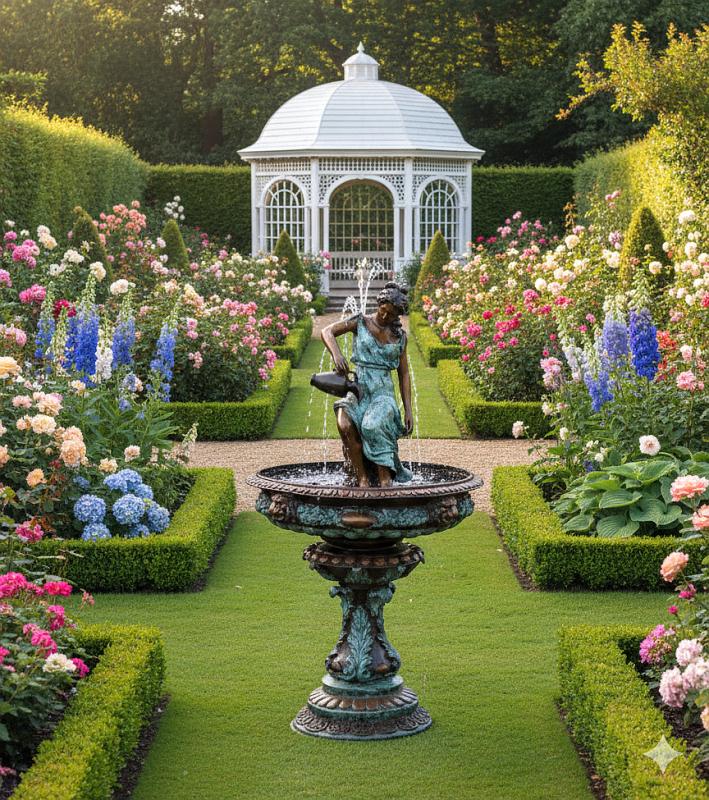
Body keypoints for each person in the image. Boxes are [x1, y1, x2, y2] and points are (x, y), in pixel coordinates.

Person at [321, 281, 413, 487]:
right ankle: (361, 477)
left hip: (383, 393)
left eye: (391, 315)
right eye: (383, 311)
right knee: (344, 422)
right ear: (379, 304)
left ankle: (385, 478)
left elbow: (404, 373)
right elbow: (327, 331)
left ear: (398, 315)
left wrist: (408, 410)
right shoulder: (360, 321)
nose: (385, 317)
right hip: (359, 388)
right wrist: (337, 355)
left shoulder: (399, 337)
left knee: (372, 425)